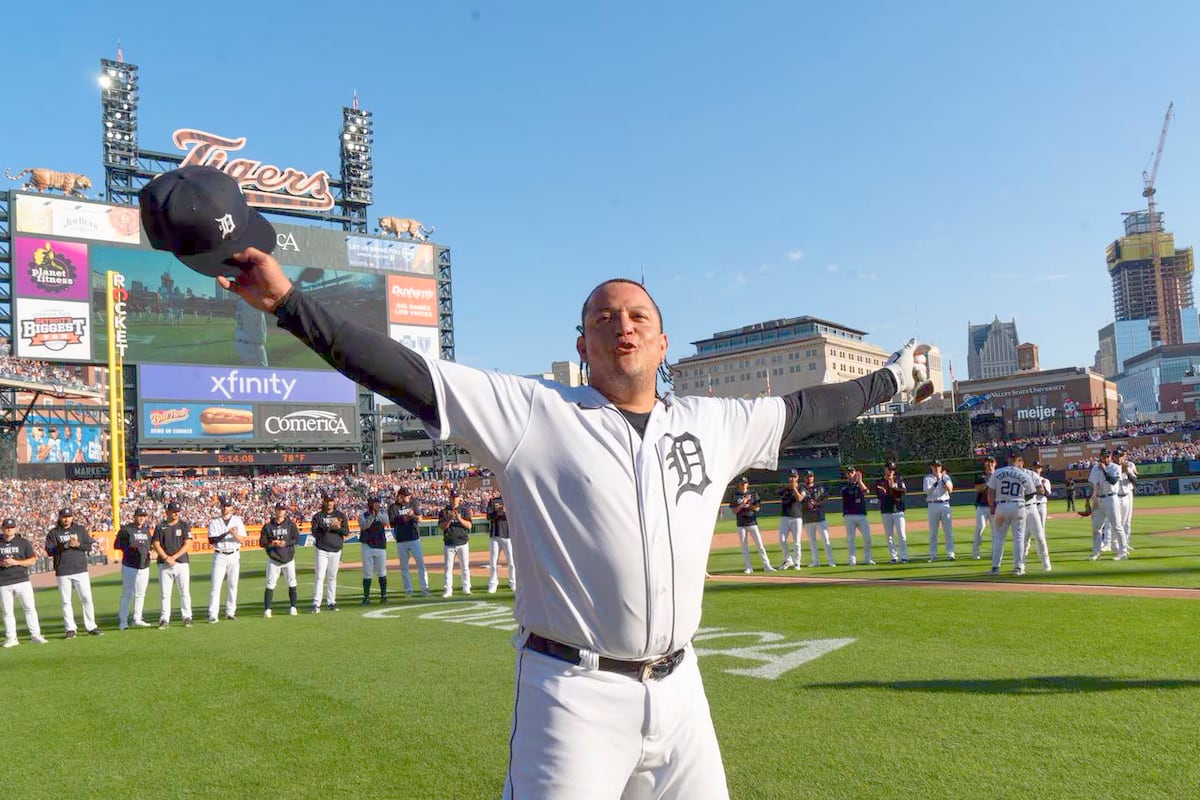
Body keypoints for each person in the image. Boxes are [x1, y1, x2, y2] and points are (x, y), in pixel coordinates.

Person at [174, 182, 924, 798]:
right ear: (582, 344)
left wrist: (894, 379)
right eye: (604, 318)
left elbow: (805, 410)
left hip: (682, 689)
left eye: (638, 317)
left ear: (663, 342)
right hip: (573, 693)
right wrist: (288, 303)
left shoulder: (712, 422)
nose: (621, 326)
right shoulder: (533, 413)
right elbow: (398, 368)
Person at [45, 508, 101, 639]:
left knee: (86, 598)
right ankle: (70, 628)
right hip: (63, 570)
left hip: (80, 569)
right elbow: (49, 550)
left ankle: (91, 626)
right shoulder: (54, 533)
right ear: (60, 517)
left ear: (72, 517)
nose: (66, 519)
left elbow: (89, 546)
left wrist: (78, 544)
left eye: (69, 516)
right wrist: (65, 545)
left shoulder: (79, 529)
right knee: (66, 601)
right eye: (64, 517)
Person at [987, 451, 1037, 576]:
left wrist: (992, 506)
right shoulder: (1023, 474)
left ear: (1008, 459)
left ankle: (995, 568)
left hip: (1002, 506)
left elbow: (990, 492)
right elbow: (1031, 493)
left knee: (998, 538)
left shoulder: (998, 472)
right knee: (1019, 539)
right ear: (1019, 460)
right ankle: (1019, 567)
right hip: (1018, 505)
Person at [0, 517, 46, 647]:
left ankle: (35, 635)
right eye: (7, 527)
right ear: (2, 528)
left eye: (11, 527)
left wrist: (16, 562)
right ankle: (11, 638)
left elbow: (32, 560)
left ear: (15, 528)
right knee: (7, 612)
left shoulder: (23, 542)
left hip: (22, 580)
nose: (9, 529)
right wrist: (2, 563)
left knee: (30, 608)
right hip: (3, 581)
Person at [152, 501, 193, 628]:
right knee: (165, 594)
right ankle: (164, 619)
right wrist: (165, 557)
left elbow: (188, 543)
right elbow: (156, 544)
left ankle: (187, 617)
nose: (176, 514)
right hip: (164, 564)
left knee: (184, 591)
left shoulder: (184, 525)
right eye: (173, 511)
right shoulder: (160, 526)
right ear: (167, 512)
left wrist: (174, 557)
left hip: (181, 563)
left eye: (177, 512)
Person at [207, 497, 247, 623]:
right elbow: (212, 540)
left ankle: (230, 612)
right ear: (220, 507)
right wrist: (227, 533)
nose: (226, 508)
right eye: (224, 506)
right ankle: (213, 614)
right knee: (215, 586)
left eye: (228, 506)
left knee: (233, 585)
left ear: (232, 508)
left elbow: (242, 540)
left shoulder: (237, 520)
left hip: (234, 554)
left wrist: (234, 534)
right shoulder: (215, 521)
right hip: (220, 555)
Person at [114, 508, 154, 629]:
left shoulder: (147, 531)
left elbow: (150, 546)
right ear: (134, 516)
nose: (142, 518)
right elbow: (117, 545)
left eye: (144, 516)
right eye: (139, 515)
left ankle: (137, 618)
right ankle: (123, 620)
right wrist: (131, 549)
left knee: (141, 594)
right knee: (127, 593)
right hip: (130, 565)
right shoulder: (126, 530)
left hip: (144, 566)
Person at [260, 502, 300, 617]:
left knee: (292, 582)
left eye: (282, 510)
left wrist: (286, 543)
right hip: (274, 559)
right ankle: (267, 609)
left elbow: (296, 539)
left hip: (288, 558)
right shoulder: (268, 526)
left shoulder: (290, 525)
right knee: (270, 583)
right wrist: (272, 543)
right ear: (275, 510)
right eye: (279, 509)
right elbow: (262, 542)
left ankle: (293, 606)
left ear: (285, 511)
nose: (280, 512)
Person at [310, 493, 349, 612]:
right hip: (322, 549)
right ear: (324, 502)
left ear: (334, 502)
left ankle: (331, 601)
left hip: (336, 550)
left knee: (332, 577)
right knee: (320, 576)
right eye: (328, 501)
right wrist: (328, 527)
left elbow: (346, 532)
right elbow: (315, 532)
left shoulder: (340, 515)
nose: (330, 503)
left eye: (332, 501)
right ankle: (316, 603)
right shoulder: (318, 516)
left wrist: (337, 528)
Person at [388, 486, 429, 597]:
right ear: (400, 496)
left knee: (421, 564)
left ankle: (425, 589)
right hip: (401, 539)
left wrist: (412, 516)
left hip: (414, 538)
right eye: (405, 495)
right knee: (404, 567)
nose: (408, 497)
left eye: (409, 495)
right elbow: (391, 522)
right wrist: (404, 519)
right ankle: (408, 590)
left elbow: (420, 519)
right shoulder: (393, 507)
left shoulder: (413, 503)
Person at [1088, 449, 1128, 560]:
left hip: (1111, 498)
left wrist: (1104, 470)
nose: (1106, 458)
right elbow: (1094, 484)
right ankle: (1096, 552)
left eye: (1107, 456)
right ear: (1100, 456)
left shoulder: (1115, 467)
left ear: (1110, 457)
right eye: (1104, 456)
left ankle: (1123, 553)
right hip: (1099, 499)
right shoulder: (1095, 468)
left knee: (1117, 527)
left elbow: (1113, 481)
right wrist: (1092, 499)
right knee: (1096, 528)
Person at [730, 477, 773, 573]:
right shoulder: (735, 495)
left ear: (747, 484)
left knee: (760, 545)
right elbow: (733, 511)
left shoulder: (753, 493)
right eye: (742, 483)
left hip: (752, 522)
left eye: (745, 483)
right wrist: (741, 505)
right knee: (744, 547)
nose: (744, 484)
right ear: (739, 484)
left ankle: (767, 565)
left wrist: (748, 505)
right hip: (741, 523)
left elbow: (757, 508)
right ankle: (748, 567)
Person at [439, 491, 473, 598]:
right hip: (449, 543)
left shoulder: (464, 510)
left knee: (465, 567)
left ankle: (466, 588)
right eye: (453, 497)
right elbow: (442, 527)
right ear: (449, 498)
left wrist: (459, 518)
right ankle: (448, 589)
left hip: (462, 542)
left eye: (456, 497)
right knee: (448, 568)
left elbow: (469, 526)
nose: (454, 499)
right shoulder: (444, 511)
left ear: (460, 499)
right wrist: (450, 518)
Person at [358, 495, 390, 605]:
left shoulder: (382, 514)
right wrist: (372, 515)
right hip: (367, 545)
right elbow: (365, 525)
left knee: (382, 572)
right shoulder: (363, 515)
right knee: (367, 573)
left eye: (377, 503)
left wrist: (377, 513)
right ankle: (366, 597)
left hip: (380, 545)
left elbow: (385, 521)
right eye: (374, 503)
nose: (377, 505)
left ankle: (384, 596)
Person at [874, 462, 909, 564]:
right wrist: (892, 490)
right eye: (889, 469)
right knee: (889, 536)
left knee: (902, 535)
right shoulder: (880, 482)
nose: (890, 471)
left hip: (898, 510)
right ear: (885, 469)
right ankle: (893, 557)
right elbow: (881, 495)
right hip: (886, 510)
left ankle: (904, 556)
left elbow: (903, 491)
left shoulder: (899, 479)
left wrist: (894, 488)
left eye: (892, 469)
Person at [1021, 461, 1052, 572]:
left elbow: (1046, 493)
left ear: (1041, 469)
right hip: (1028, 506)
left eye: (1038, 467)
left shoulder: (1044, 480)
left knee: (1040, 533)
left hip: (1041, 506)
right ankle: (1022, 560)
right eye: (1035, 467)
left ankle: (1045, 562)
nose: (1036, 469)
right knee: (1025, 535)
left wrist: (1041, 485)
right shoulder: (1028, 477)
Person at [922, 459, 955, 561]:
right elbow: (927, 491)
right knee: (933, 532)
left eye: (938, 466)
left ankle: (950, 553)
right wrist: (937, 482)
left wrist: (943, 480)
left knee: (948, 531)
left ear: (941, 467)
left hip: (944, 504)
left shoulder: (946, 477)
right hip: (933, 505)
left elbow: (950, 490)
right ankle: (933, 555)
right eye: (935, 466)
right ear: (931, 467)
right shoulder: (927, 478)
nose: (937, 468)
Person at [840, 466, 873, 566]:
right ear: (846, 475)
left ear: (855, 473)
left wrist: (860, 481)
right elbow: (848, 494)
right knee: (851, 539)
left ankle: (867, 558)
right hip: (849, 515)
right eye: (848, 473)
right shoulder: (844, 487)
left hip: (861, 515)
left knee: (867, 537)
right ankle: (852, 559)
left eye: (852, 472)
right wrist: (856, 482)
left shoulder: (860, 485)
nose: (850, 474)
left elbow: (866, 491)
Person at [800, 471, 834, 567]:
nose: (809, 478)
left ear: (813, 477)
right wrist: (807, 503)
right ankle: (815, 561)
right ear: (804, 478)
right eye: (807, 476)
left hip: (820, 518)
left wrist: (816, 503)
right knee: (812, 541)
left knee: (826, 539)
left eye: (811, 476)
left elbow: (825, 499)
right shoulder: (802, 489)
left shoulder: (820, 488)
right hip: (808, 518)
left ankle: (830, 560)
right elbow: (800, 501)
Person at [486, 494, 516, 594]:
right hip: (495, 535)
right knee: (493, 562)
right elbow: (489, 516)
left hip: (508, 535)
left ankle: (513, 583)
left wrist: (503, 511)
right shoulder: (493, 501)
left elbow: (514, 516)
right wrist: (499, 512)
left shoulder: (511, 499)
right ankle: (493, 584)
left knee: (511, 562)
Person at [776, 470, 804, 570]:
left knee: (796, 541)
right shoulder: (784, 488)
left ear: (797, 478)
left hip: (797, 517)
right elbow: (778, 493)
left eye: (794, 476)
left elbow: (800, 498)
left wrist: (794, 489)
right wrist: (788, 488)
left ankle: (797, 562)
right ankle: (788, 560)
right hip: (785, 516)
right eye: (791, 476)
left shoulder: (801, 488)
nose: (792, 478)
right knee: (782, 539)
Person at [971, 456, 995, 560]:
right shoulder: (981, 476)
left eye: (991, 462)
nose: (989, 464)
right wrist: (989, 482)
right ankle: (975, 551)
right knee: (980, 527)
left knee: (996, 531)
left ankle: (995, 552)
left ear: (995, 463)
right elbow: (978, 489)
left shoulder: (998, 475)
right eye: (987, 462)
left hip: (995, 506)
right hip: (982, 506)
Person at [1114, 448, 1139, 550]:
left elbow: (1135, 478)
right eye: (1120, 455)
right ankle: (1112, 542)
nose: (1122, 457)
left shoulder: (1130, 464)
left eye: (1123, 454)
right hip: (1115, 494)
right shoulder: (1112, 466)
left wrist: (1127, 472)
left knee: (1127, 520)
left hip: (1127, 492)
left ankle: (1126, 543)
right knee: (1115, 521)